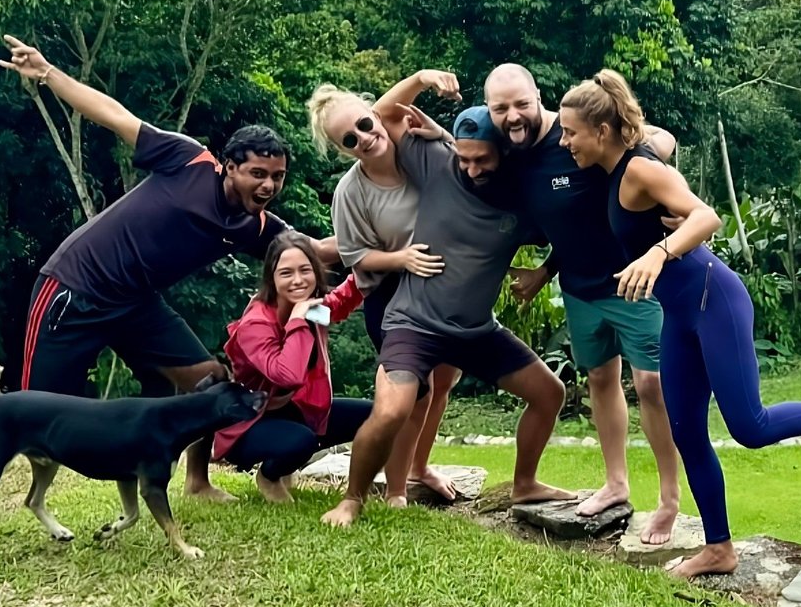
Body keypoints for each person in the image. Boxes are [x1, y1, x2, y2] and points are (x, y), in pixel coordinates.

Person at [0, 34, 328, 515]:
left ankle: (196, 482)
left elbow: (317, 251)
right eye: (257, 174)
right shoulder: (188, 161)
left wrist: (394, 244)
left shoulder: (256, 226)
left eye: (277, 177)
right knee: (30, 403)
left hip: (136, 304)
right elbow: (114, 115)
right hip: (75, 288)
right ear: (228, 166)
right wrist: (49, 73)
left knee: (212, 380)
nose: (268, 185)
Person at [558, 69, 801, 579]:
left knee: (750, 426)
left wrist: (656, 255)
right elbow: (651, 135)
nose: (565, 141)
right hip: (680, 315)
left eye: (571, 132)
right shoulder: (618, 163)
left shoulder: (639, 170)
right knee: (687, 431)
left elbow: (705, 217)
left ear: (603, 132)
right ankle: (719, 548)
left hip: (714, 300)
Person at [322, 70, 571, 529]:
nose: (471, 168)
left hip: (475, 330)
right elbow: (379, 116)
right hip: (413, 323)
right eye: (465, 158)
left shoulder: (521, 201)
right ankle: (353, 497)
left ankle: (525, 483)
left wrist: (544, 271)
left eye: (482, 161)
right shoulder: (437, 162)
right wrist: (420, 81)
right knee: (395, 408)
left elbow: (576, 225)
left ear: (503, 156)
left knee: (549, 393)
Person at [485, 63, 684, 544]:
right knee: (599, 378)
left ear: (539, 96)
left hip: (633, 283)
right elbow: (570, 226)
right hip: (579, 289)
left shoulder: (580, 133)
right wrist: (545, 272)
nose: (512, 115)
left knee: (652, 384)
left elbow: (659, 141)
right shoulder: (512, 157)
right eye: (500, 108)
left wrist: (673, 207)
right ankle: (616, 484)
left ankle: (669, 498)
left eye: (520, 103)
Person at [308, 82, 462, 505]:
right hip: (390, 293)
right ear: (344, 150)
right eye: (349, 140)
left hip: (444, 283)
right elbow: (356, 260)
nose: (363, 138)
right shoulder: (350, 191)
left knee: (445, 381)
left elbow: (463, 174)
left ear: (376, 115)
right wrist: (402, 258)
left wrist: (427, 84)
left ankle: (420, 468)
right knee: (413, 394)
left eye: (364, 123)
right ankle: (396, 491)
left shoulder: (416, 149)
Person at [214, 230, 372, 503]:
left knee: (375, 415)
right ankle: (270, 475)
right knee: (301, 440)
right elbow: (287, 374)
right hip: (248, 422)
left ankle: (289, 462)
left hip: (293, 410)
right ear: (271, 278)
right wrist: (298, 320)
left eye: (305, 270)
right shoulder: (257, 324)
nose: (298, 280)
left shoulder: (310, 310)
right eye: (286, 273)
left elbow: (336, 307)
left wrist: (365, 272)